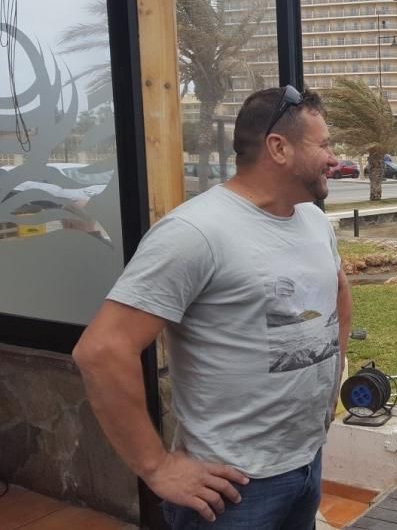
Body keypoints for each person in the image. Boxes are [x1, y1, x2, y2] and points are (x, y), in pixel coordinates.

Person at [73, 85, 351, 529]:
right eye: (324, 145)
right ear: (278, 148)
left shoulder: (314, 220)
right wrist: (156, 468)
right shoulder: (195, 232)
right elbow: (102, 351)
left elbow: (336, 290)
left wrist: (331, 377)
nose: (334, 158)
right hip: (232, 489)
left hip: (305, 463)